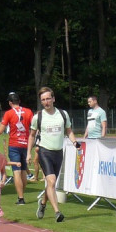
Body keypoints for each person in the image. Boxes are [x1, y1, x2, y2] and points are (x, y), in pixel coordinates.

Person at [30, 87, 72, 223]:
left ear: (53, 99)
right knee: (52, 181)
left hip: (58, 152)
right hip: (44, 151)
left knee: (50, 184)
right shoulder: (38, 117)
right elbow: (31, 136)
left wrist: (75, 143)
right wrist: (27, 153)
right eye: (43, 100)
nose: (46, 102)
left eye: (48, 98)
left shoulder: (63, 114)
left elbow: (69, 131)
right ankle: (57, 212)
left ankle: (43, 203)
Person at [0, 92, 33, 204]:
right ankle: (21, 195)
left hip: (14, 144)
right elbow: (33, 128)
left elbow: (0, 130)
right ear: (19, 101)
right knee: (23, 170)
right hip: (26, 144)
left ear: (10, 102)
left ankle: (21, 198)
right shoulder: (28, 111)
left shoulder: (8, 113)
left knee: (16, 171)